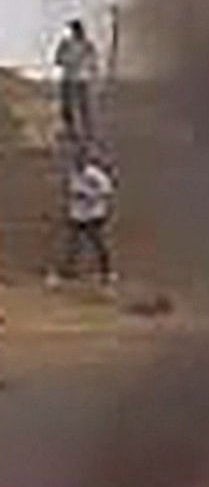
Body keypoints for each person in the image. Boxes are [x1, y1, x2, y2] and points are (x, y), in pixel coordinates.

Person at [58, 137, 115, 286]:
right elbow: (71, 190)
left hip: (94, 213)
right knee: (74, 240)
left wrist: (89, 196)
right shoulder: (74, 173)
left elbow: (107, 191)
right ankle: (71, 268)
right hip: (78, 212)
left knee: (97, 241)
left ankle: (106, 271)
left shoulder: (94, 175)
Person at [53, 18, 98, 140]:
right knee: (68, 106)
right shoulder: (65, 44)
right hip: (69, 78)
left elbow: (93, 61)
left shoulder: (87, 45)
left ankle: (86, 131)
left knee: (83, 106)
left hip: (80, 78)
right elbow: (58, 60)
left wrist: (88, 68)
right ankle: (71, 130)